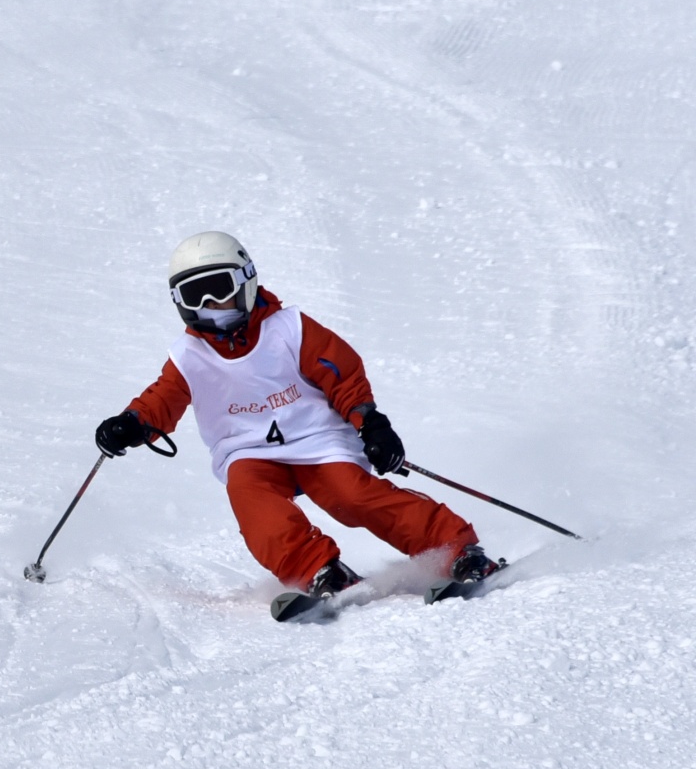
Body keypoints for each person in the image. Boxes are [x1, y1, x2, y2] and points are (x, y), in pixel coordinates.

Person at [94, 231, 502, 598]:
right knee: (253, 501)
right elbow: (161, 399)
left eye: (218, 288)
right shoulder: (188, 357)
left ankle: (455, 550)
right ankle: (319, 571)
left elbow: (341, 373)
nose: (209, 304)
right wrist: (132, 424)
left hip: (316, 439)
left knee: (351, 495)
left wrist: (370, 423)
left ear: (246, 281)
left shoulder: (289, 329)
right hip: (248, 451)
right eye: (194, 294)